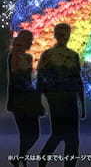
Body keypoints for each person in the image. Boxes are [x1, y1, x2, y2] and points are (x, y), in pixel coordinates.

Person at [37, 24, 86, 167]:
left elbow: (78, 80)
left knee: (70, 139)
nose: (64, 37)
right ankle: (43, 160)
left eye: (65, 34)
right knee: (61, 135)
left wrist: (82, 104)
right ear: (56, 35)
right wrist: (40, 101)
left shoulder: (72, 55)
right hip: (58, 100)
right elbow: (41, 79)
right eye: (61, 34)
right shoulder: (49, 55)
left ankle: (44, 160)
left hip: (68, 100)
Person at [7, 30, 45, 167]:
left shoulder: (28, 57)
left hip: (28, 99)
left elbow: (28, 79)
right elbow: (18, 78)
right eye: (29, 40)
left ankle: (20, 158)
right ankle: (21, 159)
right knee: (26, 133)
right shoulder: (14, 57)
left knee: (33, 133)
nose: (31, 43)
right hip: (19, 99)